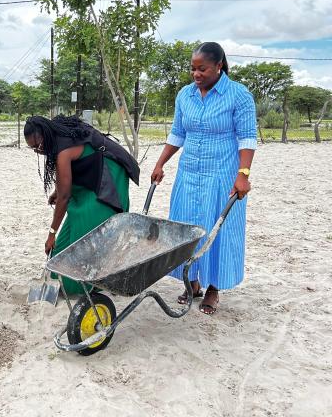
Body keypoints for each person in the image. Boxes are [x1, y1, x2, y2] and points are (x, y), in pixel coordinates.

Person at [150, 41, 257, 315]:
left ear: (219, 66)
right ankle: (192, 283)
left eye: (202, 69)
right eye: (193, 69)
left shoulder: (238, 95)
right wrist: (160, 163)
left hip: (222, 173)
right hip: (189, 174)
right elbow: (177, 134)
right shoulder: (185, 95)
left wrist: (243, 175)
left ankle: (213, 289)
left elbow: (247, 138)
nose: (196, 74)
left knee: (217, 228)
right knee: (185, 226)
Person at [24, 115, 140, 295]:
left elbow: (64, 197)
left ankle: (102, 280)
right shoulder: (56, 142)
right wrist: (57, 190)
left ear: (46, 135)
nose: (37, 151)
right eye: (32, 149)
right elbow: (63, 181)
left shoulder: (63, 150)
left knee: (87, 238)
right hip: (88, 180)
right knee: (60, 254)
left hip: (107, 178)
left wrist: (51, 233)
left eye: (38, 146)